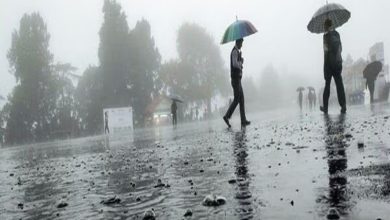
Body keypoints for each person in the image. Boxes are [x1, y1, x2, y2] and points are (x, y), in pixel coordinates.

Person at [320, 19, 346, 114]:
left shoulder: (325, 36)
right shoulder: (337, 34)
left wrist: (325, 68)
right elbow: (341, 48)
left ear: (326, 26)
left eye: (324, 26)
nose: (323, 28)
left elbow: (326, 52)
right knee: (339, 84)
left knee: (327, 85)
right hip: (338, 63)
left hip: (329, 65)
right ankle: (343, 105)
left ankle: (325, 108)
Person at [223, 38, 250, 127]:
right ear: (238, 42)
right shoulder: (234, 52)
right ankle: (227, 116)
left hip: (238, 79)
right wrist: (240, 61)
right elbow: (235, 64)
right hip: (235, 79)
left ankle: (243, 120)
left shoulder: (237, 52)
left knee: (241, 99)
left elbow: (237, 65)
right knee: (237, 99)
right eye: (241, 43)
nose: (242, 45)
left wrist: (240, 60)